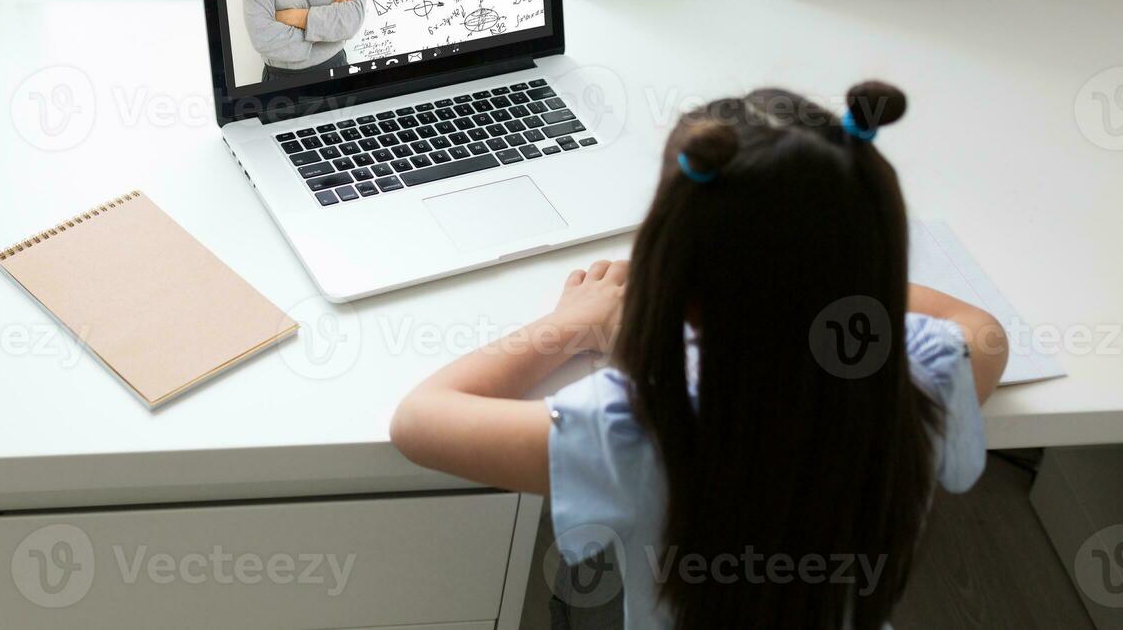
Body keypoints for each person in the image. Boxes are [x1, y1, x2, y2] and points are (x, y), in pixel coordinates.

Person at [390, 82, 1008, 630]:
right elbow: (983, 330)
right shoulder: (918, 383)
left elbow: (420, 420)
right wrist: (841, 272)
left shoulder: (634, 430)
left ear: (676, 268)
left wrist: (568, 325)